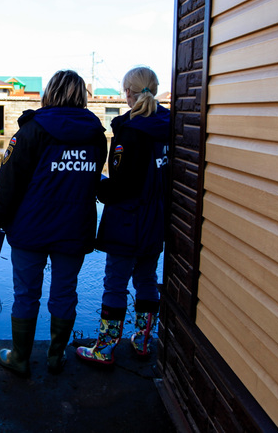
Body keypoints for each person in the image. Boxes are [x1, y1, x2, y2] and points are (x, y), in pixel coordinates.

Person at [0, 69, 107, 377]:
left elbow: (9, 181)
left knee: (26, 294)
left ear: (49, 93)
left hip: (30, 228)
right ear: (81, 95)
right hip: (74, 228)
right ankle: (55, 358)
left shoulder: (30, 131)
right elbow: (93, 179)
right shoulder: (96, 134)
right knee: (65, 292)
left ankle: (20, 359)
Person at [76, 66, 170, 365]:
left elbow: (121, 186)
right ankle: (142, 342)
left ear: (128, 92)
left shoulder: (128, 132)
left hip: (126, 220)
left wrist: (98, 185)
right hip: (155, 219)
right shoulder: (170, 126)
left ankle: (104, 349)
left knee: (115, 284)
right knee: (147, 279)